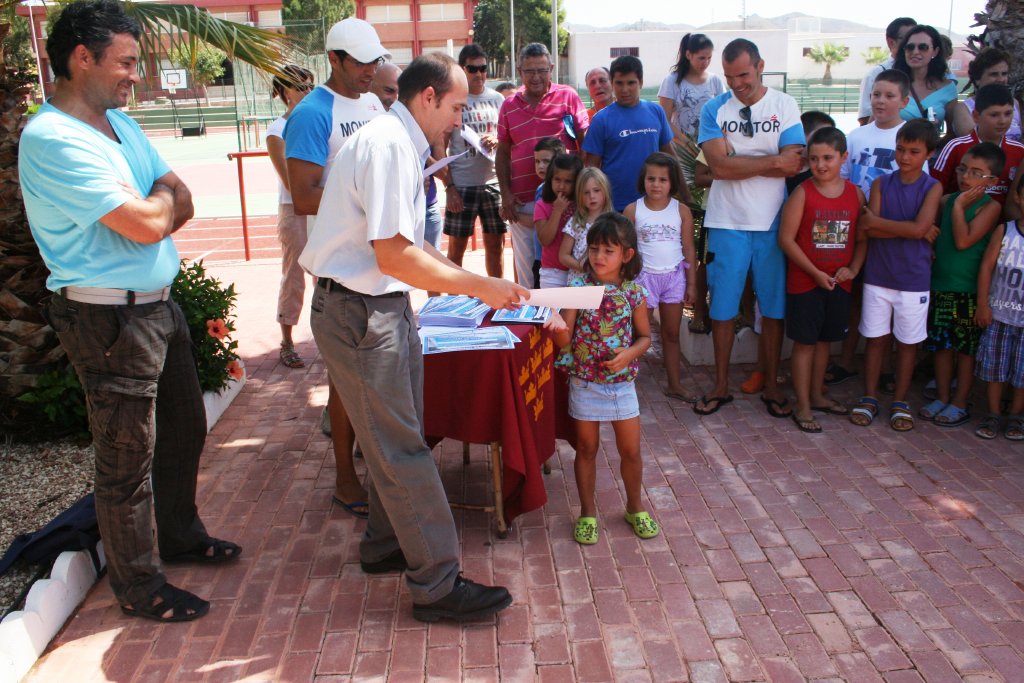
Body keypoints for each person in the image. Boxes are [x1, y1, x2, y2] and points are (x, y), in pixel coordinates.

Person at [19, 0, 240, 623]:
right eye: (126, 62)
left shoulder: (121, 126)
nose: (135, 75)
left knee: (185, 428)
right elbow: (148, 222)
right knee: (126, 460)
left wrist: (156, 205)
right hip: (107, 322)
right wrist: (156, 204)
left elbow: (180, 199)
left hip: (156, 310)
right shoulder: (53, 137)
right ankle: (141, 587)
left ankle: (179, 534)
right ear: (80, 57)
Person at [298, 53, 532, 621]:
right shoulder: (386, 145)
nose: (460, 120)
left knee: (402, 436)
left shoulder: (399, 144)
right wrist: (479, 285)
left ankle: (385, 545)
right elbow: (394, 254)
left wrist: (475, 283)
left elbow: (410, 246)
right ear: (427, 97)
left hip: (378, 307)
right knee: (402, 446)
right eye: (455, 108)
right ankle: (437, 584)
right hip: (360, 312)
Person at [285, 17, 388, 518]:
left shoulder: (372, 104)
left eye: (374, 61)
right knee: (346, 384)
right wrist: (366, 199)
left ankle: (366, 460)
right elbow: (304, 196)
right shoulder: (310, 113)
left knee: (366, 379)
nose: (371, 70)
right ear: (334, 59)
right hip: (341, 270)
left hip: (378, 262)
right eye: (361, 62)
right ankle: (346, 480)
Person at [694, 38, 805, 417]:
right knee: (722, 309)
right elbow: (718, 169)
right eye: (728, 77)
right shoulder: (714, 108)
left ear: (760, 65)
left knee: (773, 308)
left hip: (774, 223)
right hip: (726, 222)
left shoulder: (784, 105)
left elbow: (793, 163)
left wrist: (739, 161)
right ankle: (721, 385)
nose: (737, 84)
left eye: (743, 74)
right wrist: (768, 161)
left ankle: (772, 385)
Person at [549, 212, 657, 546]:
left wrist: (627, 355)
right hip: (584, 382)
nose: (598, 256)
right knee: (586, 448)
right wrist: (556, 326)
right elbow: (564, 339)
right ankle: (587, 513)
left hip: (622, 385)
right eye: (594, 248)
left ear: (627, 255)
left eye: (608, 250)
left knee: (631, 452)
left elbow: (644, 338)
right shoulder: (577, 287)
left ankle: (635, 506)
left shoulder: (634, 294)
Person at [850, 120, 943, 431]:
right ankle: (869, 397)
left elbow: (880, 225)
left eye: (914, 152)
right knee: (875, 341)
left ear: (928, 154)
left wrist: (886, 225)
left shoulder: (933, 187)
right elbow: (868, 228)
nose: (904, 157)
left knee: (907, 344)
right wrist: (913, 230)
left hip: (913, 279)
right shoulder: (881, 184)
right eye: (901, 149)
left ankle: (900, 401)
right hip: (878, 275)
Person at [778, 127, 866, 433]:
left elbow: (862, 238)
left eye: (828, 157)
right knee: (805, 343)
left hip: (838, 284)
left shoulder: (856, 194)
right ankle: (802, 404)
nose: (821, 165)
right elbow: (786, 240)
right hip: (806, 284)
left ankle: (817, 395)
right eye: (814, 159)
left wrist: (852, 268)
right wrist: (814, 273)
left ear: (843, 157)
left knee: (826, 342)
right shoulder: (803, 192)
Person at [920, 143, 1004, 427]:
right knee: (942, 348)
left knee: (965, 351)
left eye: (976, 173)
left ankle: (960, 401)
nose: (966, 176)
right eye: (963, 169)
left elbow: (964, 240)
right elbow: (934, 235)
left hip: (969, 291)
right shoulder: (944, 201)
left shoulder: (990, 208)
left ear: (992, 181)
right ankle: (943, 397)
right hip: (940, 286)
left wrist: (958, 206)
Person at [497, 42, 589, 288]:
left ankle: (564, 321)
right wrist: (506, 195)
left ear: (551, 68)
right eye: (529, 71)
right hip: (522, 202)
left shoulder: (568, 96)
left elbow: (586, 145)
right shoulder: (508, 105)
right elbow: (502, 152)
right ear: (519, 70)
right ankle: (530, 322)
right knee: (527, 270)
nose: (536, 77)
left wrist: (582, 192)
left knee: (562, 265)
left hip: (562, 201)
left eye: (541, 70)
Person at [624, 152, 698, 403]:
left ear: (672, 183)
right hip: (643, 280)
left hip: (674, 278)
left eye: (663, 180)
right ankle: (626, 384)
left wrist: (692, 283)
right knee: (637, 334)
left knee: (671, 334)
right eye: (651, 179)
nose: (656, 184)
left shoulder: (682, 211)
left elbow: (688, 248)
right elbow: (626, 250)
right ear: (643, 180)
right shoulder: (633, 210)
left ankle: (675, 384)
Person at [440, 44, 507, 278]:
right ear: (462, 69)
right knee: (456, 249)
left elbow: (508, 139)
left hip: (493, 183)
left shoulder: (498, 99)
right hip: (462, 185)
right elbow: (440, 144)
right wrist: (449, 187)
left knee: (495, 246)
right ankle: (454, 304)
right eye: (472, 69)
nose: (479, 74)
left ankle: (496, 302)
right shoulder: (455, 100)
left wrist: (497, 139)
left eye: (483, 68)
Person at [266, 65, 315, 369]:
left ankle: (331, 338)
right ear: (286, 92)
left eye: (311, 86)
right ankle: (287, 341)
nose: (308, 92)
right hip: (295, 211)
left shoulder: (319, 122)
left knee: (330, 276)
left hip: (321, 209)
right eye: (301, 86)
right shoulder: (277, 130)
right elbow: (290, 182)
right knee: (295, 277)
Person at [583, 55, 677, 211]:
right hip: (615, 207)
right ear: (612, 84)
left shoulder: (656, 111)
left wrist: (684, 195)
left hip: (654, 205)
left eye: (631, 83)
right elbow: (592, 167)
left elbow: (670, 157)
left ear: (641, 82)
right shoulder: (601, 120)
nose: (625, 89)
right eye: (619, 83)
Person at [974, 204, 1024, 440]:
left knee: (1022, 371)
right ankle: (993, 413)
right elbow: (986, 266)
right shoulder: (1005, 230)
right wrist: (983, 304)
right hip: (999, 313)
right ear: (1018, 198)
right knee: (995, 367)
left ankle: (1016, 415)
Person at [931, 84, 1024, 204]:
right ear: (975, 116)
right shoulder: (956, 147)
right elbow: (933, 190)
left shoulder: (1019, 151)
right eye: (994, 115)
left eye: (1008, 114)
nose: (1003, 121)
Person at [658, 32, 725, 174]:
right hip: (681, 155)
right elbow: (664, 120)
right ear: (689, 55)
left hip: (710, 152)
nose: (705, 62)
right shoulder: (671, 81)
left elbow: (725, 115)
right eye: (701, 58)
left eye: (709, 58)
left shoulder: (715, 81)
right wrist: (688, 144)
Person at [892, 25, 958, 134]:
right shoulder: (891, 83)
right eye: (910, 47)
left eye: (923, 47)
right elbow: (873, 125)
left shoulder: (948, 89)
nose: (915, 52)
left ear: (935, 52)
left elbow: (952, 134)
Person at [951, 48, 1020, 142]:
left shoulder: (1014, 103)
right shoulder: (963, 109)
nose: (1001, 79)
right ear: (977, 78)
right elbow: (973, 142)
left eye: (1004, 74)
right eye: (994, 74)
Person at [534, 153, 583, 287]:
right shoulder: (542, 205)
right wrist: (557, 211)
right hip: (552, 273)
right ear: (550, 180)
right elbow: (545, 240)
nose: (561, 186)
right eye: (557, 180)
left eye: (568, 181)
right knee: (553, 309)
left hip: (580, 271)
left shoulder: (582, 204)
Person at [857, 17, 917, 126]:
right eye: (907, 39)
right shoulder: (875, 74)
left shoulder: (924, 74)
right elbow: (864, 121)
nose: (913, 45)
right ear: (891, 42)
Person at [559, 166, 613, 279]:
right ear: (580, 196)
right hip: (579, 282)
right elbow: (563, 256)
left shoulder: (614, 222)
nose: (592, 196)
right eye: (586, 193)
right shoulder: (575, 223)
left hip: (606, 281)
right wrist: (582, 266)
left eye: (596, 190)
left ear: (605, 190)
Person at [532, 137, 568, 287]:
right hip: (543, 258)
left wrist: (515, 216)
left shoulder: (552, 193)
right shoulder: (541, 189)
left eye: (546, 161)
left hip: (551, 260)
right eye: (537, 161)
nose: (541, 166)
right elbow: (539, 220)